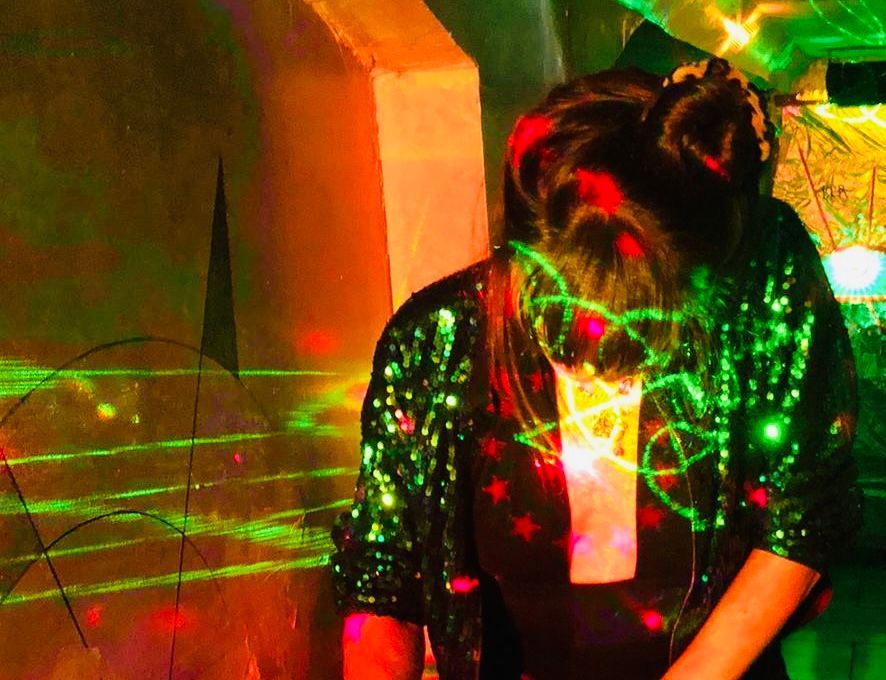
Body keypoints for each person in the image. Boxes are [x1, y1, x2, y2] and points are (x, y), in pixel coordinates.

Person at [331, 58, 861, 679]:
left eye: (645, 318)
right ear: (519, 253)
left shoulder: (761, 282)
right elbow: (382, 577)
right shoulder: (435, 338)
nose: (600, 356)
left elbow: (803, 514)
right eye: (565, 312)